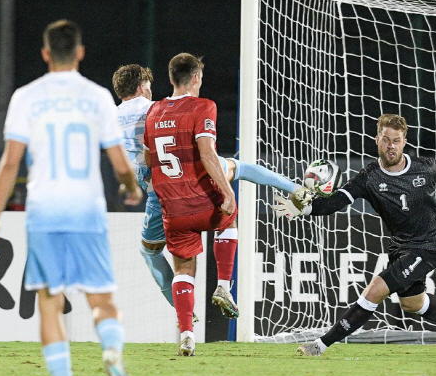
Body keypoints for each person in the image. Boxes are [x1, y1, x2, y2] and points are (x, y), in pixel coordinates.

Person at [0, 20, 142, 376]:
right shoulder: (99, 97)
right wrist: (131, 187)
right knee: (101, 299)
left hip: (45, 211)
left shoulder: (26, 97)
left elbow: (10, 163)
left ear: (46, 53)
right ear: (81, 53)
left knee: (49, 302)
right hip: (86, 210)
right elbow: (119, 161)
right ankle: (112, 356)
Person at [273, 114, 436, 357]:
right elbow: (334, 203)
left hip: (428, 246)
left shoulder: (424, 167)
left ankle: (320, 346)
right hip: (399, 248)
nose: (391, 146)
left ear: (404, 141)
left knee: (374, 290)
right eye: (386, 140)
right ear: (377, 140)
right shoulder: (369, 178)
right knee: (412, 303)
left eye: (396, 140)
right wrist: (303, 207)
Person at [112, 64, 300, 324]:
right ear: (143, 86)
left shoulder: (109, 118)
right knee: (240, 169)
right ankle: (296, 188)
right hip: (188, 175)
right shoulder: (154, 108)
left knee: (151, 252)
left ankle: (184, 315)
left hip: (160, 195)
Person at [143, 53, 240, 356]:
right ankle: (223, 284)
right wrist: (227, 192)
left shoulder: (154, 111)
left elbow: (149, 160)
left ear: (171, 79)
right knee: (230, 217)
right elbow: (208, 153)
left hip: (172, 205)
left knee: (184, 267)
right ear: (196, 77)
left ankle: (187, 333)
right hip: (201, 199)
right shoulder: (203, 106)